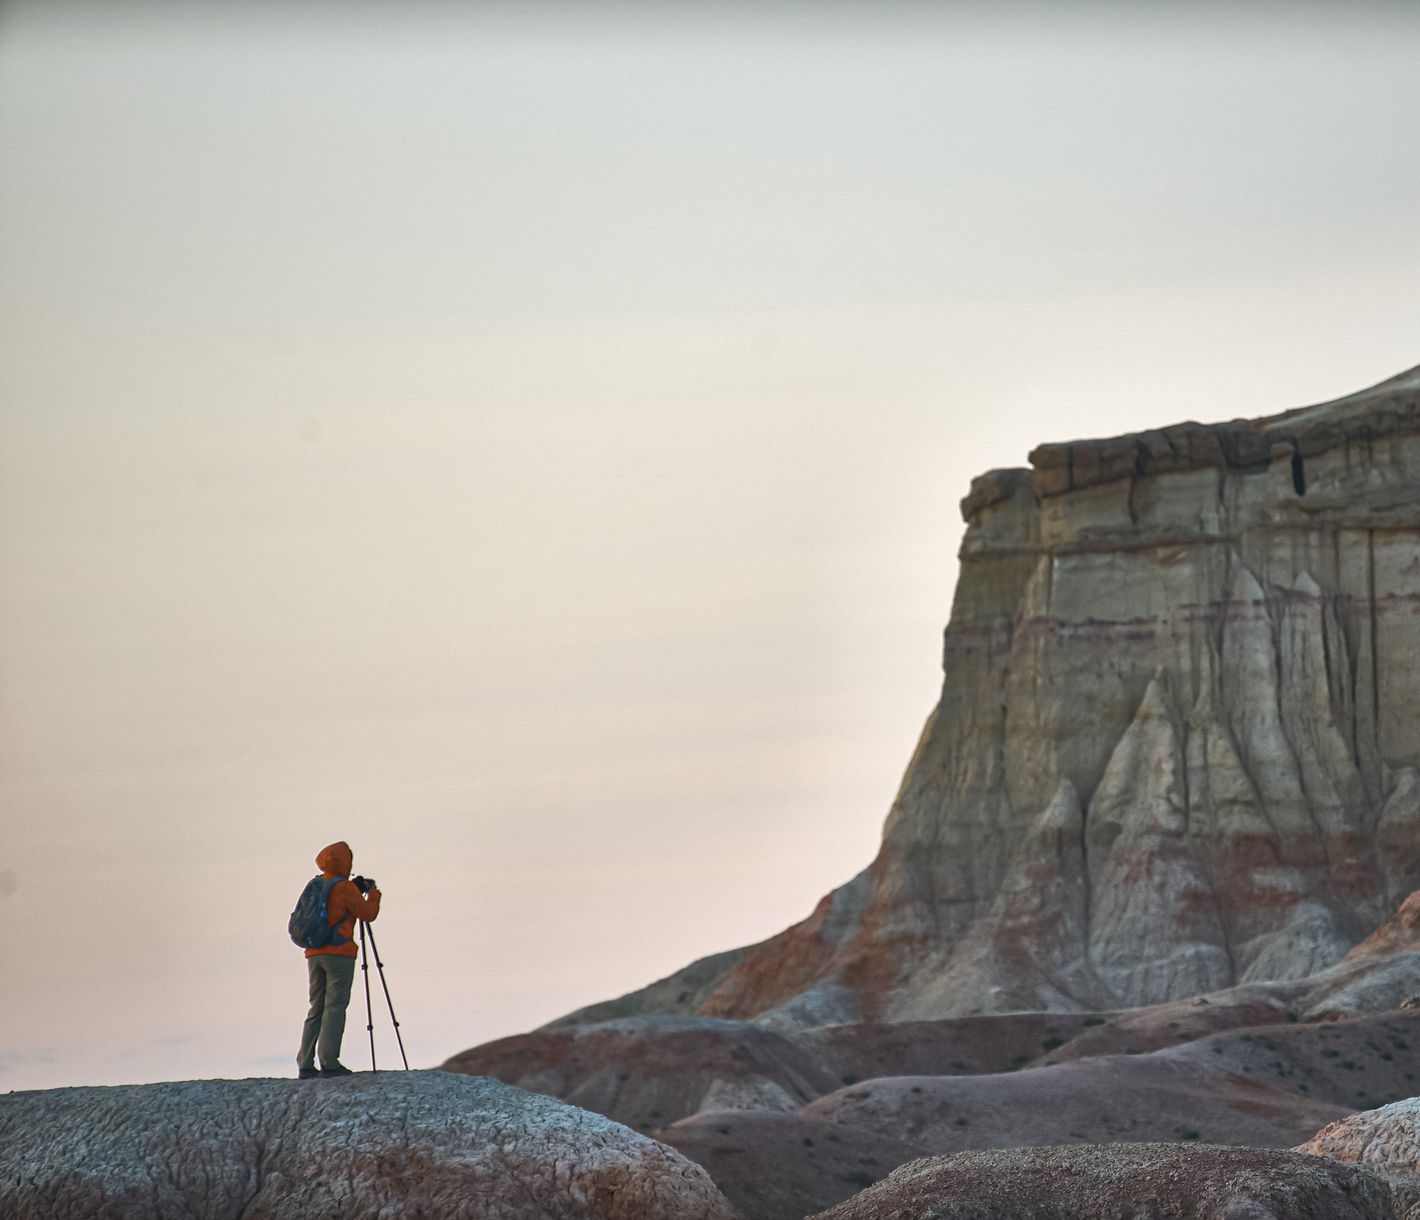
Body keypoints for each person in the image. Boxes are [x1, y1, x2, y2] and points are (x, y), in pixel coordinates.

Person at [296, 840, 382, 1079]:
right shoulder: (345, 888)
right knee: (335, 1006)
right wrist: (373, 893)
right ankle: (329, 1062)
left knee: (316, 1006)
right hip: (339, 954)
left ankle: (305, 1062)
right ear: (346, 863)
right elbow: (368, 914)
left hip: (314, 953)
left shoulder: (315, 884)